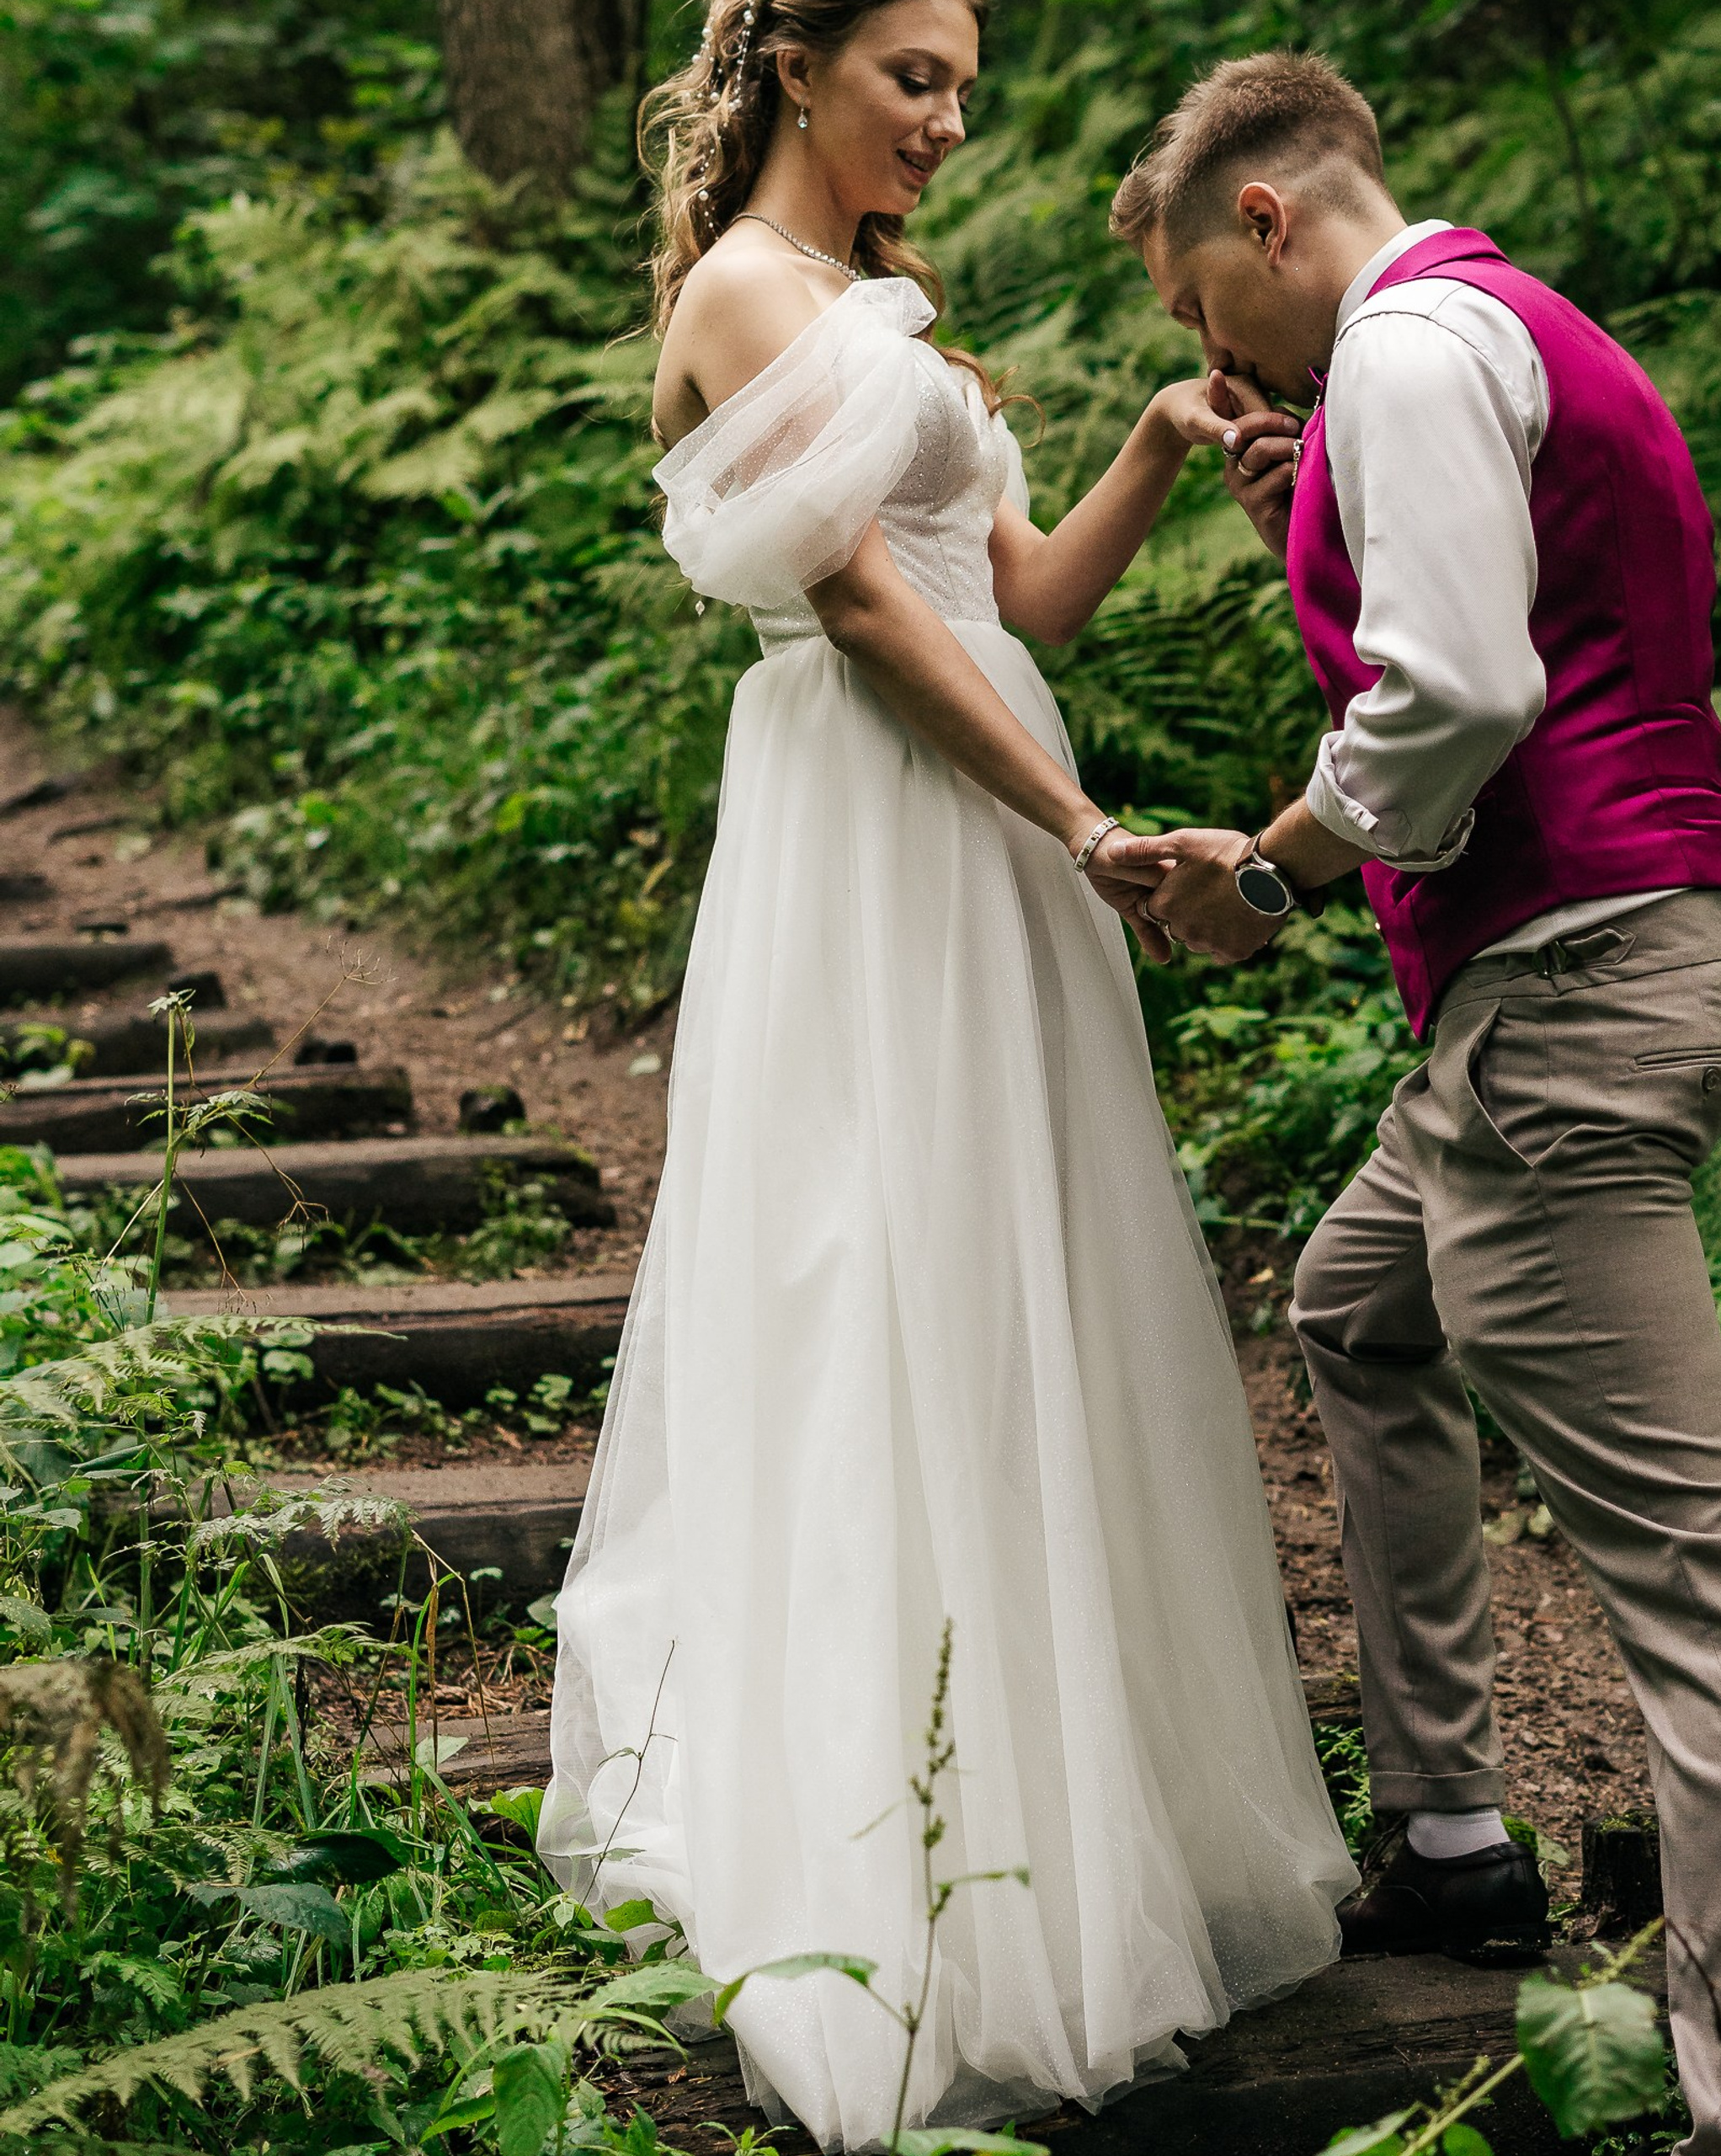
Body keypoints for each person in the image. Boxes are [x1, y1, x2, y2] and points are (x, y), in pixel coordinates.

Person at [536, 6, 1357, 2148]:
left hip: (993, 808)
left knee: (1017, 1278)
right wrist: (1078, 837)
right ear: (795, 65)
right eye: (913, 72)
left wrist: (1162, 444)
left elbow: (1014, 604)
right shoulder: (740, 286)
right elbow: (867, 623)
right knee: (863, 1262)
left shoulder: (892, 307)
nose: (948, 116)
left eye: (964, 82)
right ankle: (883, 1843)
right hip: (885, 820)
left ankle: (1064, 1792)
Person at [1108, 51, 1721, 2156]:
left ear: (1261, 227)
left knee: (1692, 1587)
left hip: (1567, 1000)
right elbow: (1479, 630)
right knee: (1355, 1303)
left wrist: (1259, 877)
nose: (1214, 360)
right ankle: (1446, 1827)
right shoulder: (1495, 333)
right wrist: (1306, 531)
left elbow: (1457, 697)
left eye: (1195, 314)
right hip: (1620, 967)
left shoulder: (1409, 348)